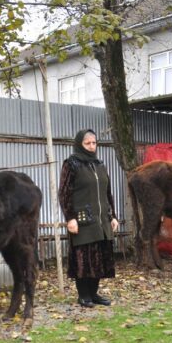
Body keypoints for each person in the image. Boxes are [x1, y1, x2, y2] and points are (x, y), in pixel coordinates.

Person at [59, 129, 119, 307]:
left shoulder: (99, 164)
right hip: (82, 219)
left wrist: (113, 215)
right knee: (83, 259)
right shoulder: (71, 164)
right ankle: (83, 295)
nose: (92, 146)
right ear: (80, 144)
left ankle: (93, 294)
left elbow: (107, 192)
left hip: (102, 220)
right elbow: (64, 193)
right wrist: (70, 218)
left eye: (94, 143)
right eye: (88, 143)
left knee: (99, 257)